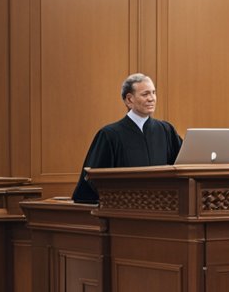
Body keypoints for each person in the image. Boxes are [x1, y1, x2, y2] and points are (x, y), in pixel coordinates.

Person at [71, 73, 182, 203]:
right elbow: (94, 180)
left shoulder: (166, 130)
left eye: (153, 93)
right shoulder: (110, 134)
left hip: (163, 206)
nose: (152, 98)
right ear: (129, 100)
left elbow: (184, 163)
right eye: (145, 94)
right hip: (124, 210)